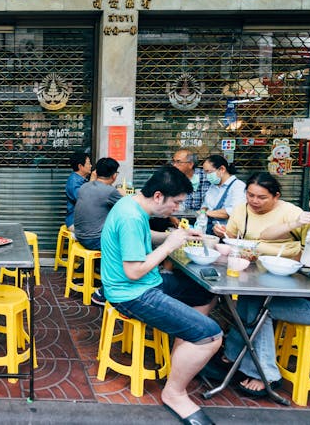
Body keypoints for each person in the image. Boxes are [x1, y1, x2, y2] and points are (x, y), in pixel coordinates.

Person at [218, 181, 310, 398]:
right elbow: (267, 234)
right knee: (248, 298)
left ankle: (265, 375)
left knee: (262, 310)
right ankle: (233, 356)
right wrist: (295, 222)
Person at [101, 165, 221, 425]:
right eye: (176, 202)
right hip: (131, 294)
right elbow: (133, 271)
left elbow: (144, 238)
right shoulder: (131, 217)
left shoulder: (132, 206)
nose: (176, 209)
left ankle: (186, 350)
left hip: (147, 283)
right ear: (158, 196)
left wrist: (178, 235)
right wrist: (169, 245)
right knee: (212, 335)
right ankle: (174, 393)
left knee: (204, 292)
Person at [212, 172, 302, 258]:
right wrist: (223, 233)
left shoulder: (291, 212)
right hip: (249, 261)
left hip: (284, 264)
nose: (254, 201)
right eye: (250, 195)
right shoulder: (240, 210)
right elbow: (234, 239)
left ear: (276, 196)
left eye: (262, 197)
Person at [73, 157, 123, 307]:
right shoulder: (110, 191)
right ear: (114, 175)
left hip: (80, 236)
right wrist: (122, 194)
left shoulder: (85, 187)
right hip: (94, 240)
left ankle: (83, 273)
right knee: (125, 249)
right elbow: (128, 208)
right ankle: (103, 292)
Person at [199, 155, 245, 234]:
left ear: (222, 169)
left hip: (227, 233)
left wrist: (206, 213)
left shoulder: (238, 186)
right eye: (205, 172)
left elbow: (234, 211)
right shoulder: (213, 186)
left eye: (208, 172)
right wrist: (203, 211)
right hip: (210, 231)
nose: (207, 176)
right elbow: (205, 205)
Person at [65, 151, 92, 230]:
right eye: (88, 163)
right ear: (80, 166)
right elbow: (84, 199)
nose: (91, 166)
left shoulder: (82, 179)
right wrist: (92, 181)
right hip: (75, 222)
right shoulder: (73, 181)